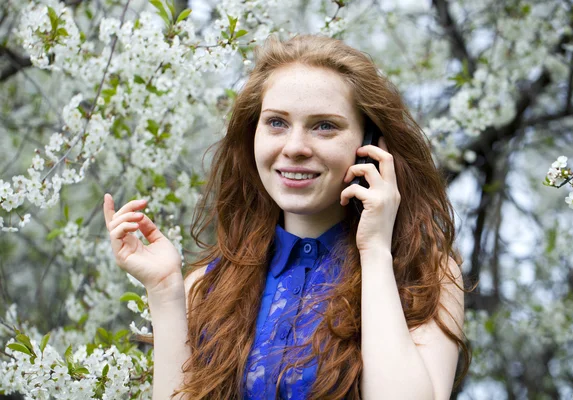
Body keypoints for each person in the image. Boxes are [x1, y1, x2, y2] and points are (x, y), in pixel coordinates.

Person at [103, 33, 470, 400]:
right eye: (277, 123)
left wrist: (375, 250)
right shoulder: (208, 284)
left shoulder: (426, 276)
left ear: (372, 144)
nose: (294, 148)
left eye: (324, 125)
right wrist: (166, 293)